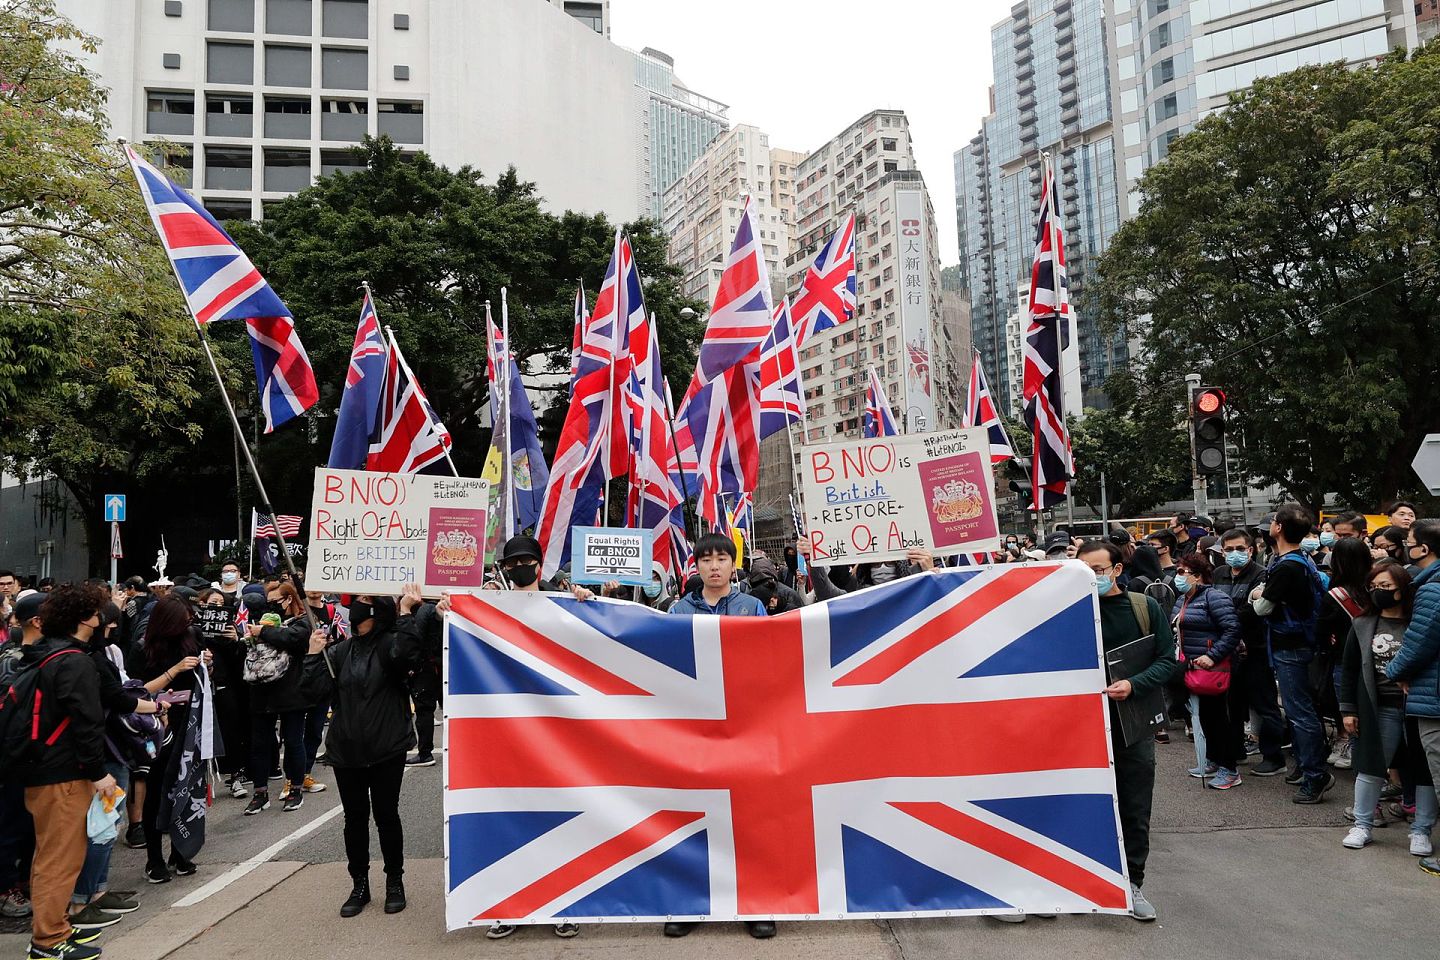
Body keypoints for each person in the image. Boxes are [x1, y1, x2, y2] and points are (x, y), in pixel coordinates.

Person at [664, 533, 772, 938]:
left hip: (745, 726)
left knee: (748, 816)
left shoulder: (752, 607)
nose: (714, 566)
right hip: (695, 728)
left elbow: (770, 659)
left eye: (721, 558)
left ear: (732, 564)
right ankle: (692, 902)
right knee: (695, 816)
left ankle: (756, 902)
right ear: (697, 565)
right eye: (706, 558)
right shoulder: (677, 611)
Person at [301, 586, 420, 917]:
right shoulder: (339, 652)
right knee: (354, 819)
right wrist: (313, 655)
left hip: (386, 747)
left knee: (386, 815)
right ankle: (360, 884)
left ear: (378, 610)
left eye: (365, 602)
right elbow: (312, 692)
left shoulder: (390, 645)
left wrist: (407, 614)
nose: (357, 607)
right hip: (347, 750)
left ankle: (394, 881)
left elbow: (408, 656)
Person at [14, 584, 117, 960]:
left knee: (51, 857)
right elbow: (86, 723)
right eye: (96, 610)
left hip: (42, 769)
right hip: (63, 773)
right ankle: (47, 941)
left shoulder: (45, 653)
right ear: (85, 617)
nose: (102, 616)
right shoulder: (73, 661)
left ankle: (55, 928)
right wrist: (97, 772)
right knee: (60, 860)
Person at [1076, 540, 1177, 922]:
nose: (1092, 578)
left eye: (1098, 571)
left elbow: (1168, 660)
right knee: (1084, 802)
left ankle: (1131, 883)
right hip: (1079, 727)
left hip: (1132, 724)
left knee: (1134, 804)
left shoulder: (1143, 607)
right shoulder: (1066, 610)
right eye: (1084, 570)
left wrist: (1134, 684)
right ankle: (1078, 880)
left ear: (1117, 570)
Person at [66, 603, 165, 928]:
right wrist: (154, 706)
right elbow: (115, 697)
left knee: (108, 826)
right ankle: (82, 902)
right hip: (104, 753)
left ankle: (98, 891)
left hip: (113, 750)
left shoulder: (103, 653)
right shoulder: (83, 659)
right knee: (101, 827)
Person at [1340, 561, 1437, 853]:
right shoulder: (1362, 624)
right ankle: (1362, 824)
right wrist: (1348, 709)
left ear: (1402, 589)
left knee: (1424, 770)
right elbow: (1349, 670)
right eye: (1374, 586)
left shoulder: (1419, 621)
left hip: (1419, 707)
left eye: (1386, 586)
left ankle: (1421, 831)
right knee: (1371, 766)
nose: (1378, 592)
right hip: (1378, 706)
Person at [1250, 504, 1336, 804]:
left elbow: (1262, 607)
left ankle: (1315, 774)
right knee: (1302, 710)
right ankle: (1305, 766)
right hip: (1300, 643)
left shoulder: (1287, 566)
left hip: (1291, 646)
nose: (1270, 524)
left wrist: (1257, 594)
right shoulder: (1301, 559)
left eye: (1274, 521)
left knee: (1300, 713)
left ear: (1279, 529)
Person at [136, 596, 204, 883]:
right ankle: (154, 858)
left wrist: (204, 666)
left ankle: (181, 851)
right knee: (156, 791)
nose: (187, 626)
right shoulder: (143, 650)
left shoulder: (191, 640)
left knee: (185, 787)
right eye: (183, 621)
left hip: (189, 724)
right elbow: (138, 691)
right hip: (157, 726)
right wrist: (174, 671)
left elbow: (199, 682)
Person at [1388, 518, 1440, 876]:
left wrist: (1394, 672)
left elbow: (1419, 642)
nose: (1406, 544)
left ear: (1424, 548)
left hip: (1433, 695)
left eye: (1408, 539)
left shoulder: (1432, 589)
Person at [1212, 528, 1286, 776]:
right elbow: (1213, 604)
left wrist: (1226, 617)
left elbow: (1254, 610)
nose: (1234, 554)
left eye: (1240, 549)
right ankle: (1235, 752)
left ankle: (1273, 756)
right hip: (1227, 651)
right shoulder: (1219, 574)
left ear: (1251, 550)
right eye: (1229, 549)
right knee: (1232, 705)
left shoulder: (1262, 575)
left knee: (1265, 704)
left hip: (1255, 649)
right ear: (1222, 552)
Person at [1171, 554, 1243, 788]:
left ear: (1198, 576)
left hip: (1214, 668)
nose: (1177, 577)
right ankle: (1213, 759)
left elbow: (1232, 630)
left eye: (1182, 572)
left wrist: (1212, 656)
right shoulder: (1182, 599)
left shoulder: (1214, 597)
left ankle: (1229, 769)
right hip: (1192, 667)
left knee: (1219, 719)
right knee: (1205, 717)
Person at [243, 582, 313, 816]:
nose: (270, 607)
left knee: (293, 741)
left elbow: (296, 639)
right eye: (268, 602)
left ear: (290, 599)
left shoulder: (302, 621)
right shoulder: (256, 623)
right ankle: (260, 792)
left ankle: (296, 788)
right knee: (260, 743)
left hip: (291, 690)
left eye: (275, 602)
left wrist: (263, 632)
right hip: (261, 690)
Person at [1318, 538, 1374, 771]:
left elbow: (1321, 629)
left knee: (1348, 706)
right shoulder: (1376, 587)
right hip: (1375, 657)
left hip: (1344, 658)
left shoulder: (1335, 595)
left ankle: (1354, 749)